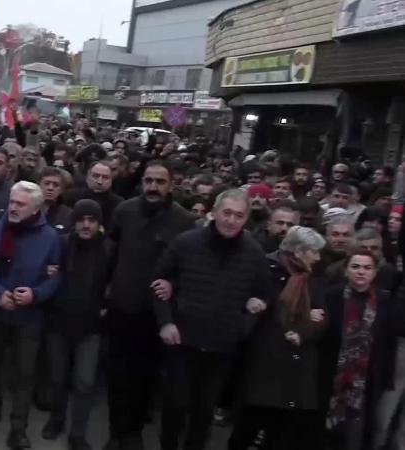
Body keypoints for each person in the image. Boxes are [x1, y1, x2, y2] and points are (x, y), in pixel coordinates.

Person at [152, 189, 270, 450]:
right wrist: (166, 322)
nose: (231, 220)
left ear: (246, 219)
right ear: (214, 213)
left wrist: (243, 327)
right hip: (182, 340)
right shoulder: (186, 242)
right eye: (226, 213)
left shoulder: (254, 254)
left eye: (238, 216)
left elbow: (263, 296)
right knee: (176, 404)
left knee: (204, 409)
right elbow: (158, 282)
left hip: (222, 347)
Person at [103, 160, 197, 450]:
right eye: (148, 181)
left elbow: (189, 268)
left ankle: (133, 432)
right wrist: (104, 292)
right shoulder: (124, 210)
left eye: (160, 182)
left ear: (171, 185)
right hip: (121, 306)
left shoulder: (183, 221)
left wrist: (174, 286)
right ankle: (116, 431)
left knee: (144, 377)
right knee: (117, 374)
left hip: (155, 314)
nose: (153, 187)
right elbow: (110, 252)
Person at [0, 181, 62, 450]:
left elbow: (57, 277)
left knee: (24, 374)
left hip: (29, 318)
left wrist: (35, 295)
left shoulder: (50, 237)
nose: (12, 207)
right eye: (12, 201)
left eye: (20, 204)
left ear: (35, 208)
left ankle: (18, 427)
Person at [228, 226, 328, 450]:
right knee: (249, 426)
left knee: (280, 433)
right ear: (300, 251)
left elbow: (322, 316)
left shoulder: (310, 280)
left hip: (295, 366)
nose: (318, 257)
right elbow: (254, 307)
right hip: (264, 363)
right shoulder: (266, 271)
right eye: (314, 251)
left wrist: (305, 328)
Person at [42, 199, 111, 450]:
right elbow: (46, 273)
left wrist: (107, 304)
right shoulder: (60, 244)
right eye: (81, 219)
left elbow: (114, 282)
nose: (86, 225)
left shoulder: (109, 249)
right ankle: (56, 419)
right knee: (58, 378)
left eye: (91, 220)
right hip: (58, 324)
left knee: (84, 381)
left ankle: (77, 433)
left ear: (99, 223)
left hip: (91, 328)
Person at [319, 250, 405, 450]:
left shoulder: (384, 301)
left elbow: (389, 344)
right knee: (326, 432)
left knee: (356, 434)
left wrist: (385, 378)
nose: (361, 272)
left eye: (367, 268)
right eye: (355, 267)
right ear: (346, 270)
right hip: (332, 375)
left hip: (366, 379)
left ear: (375, 273)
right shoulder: (332, 296)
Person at [64, 160, 123, 227]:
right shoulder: (70, 197)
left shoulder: (119, 204)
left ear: (111, 180)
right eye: (96, 176)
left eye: (105, 177)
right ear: (87, 177)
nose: (99, 181)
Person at [38, 167, 72, 234]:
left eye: (55, 185)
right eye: (47, 183)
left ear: (62, 190)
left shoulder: (68, 215)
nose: (50, 188)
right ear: (38, 185)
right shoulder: (28, 210)